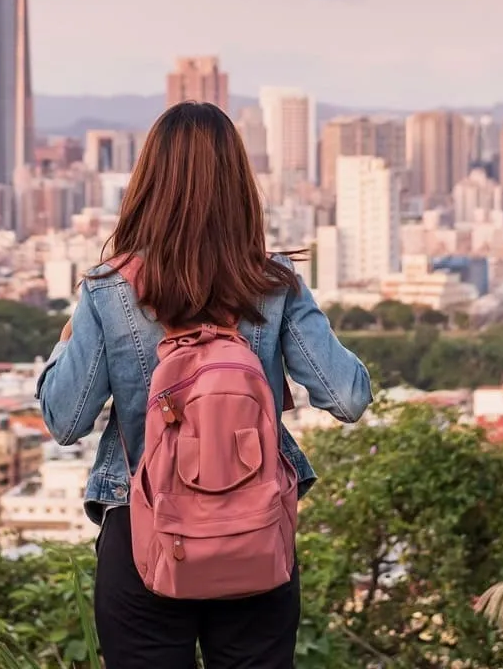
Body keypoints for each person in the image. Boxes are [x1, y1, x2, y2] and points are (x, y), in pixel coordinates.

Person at [37, 101, 372, 668]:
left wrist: (68, 339)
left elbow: (65, 420)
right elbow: (348, 396)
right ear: (239, 184)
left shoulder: (109, 289)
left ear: (147, 183)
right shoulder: (273, 282)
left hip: (142, 525)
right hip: (254, 529)